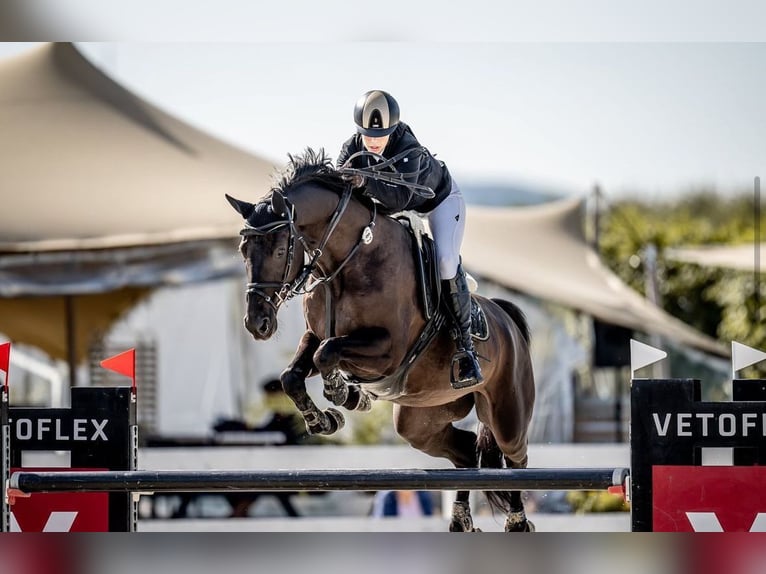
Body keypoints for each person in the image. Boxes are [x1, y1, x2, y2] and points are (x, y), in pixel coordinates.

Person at [337, 89, 483, 389]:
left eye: (381, 135)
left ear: (394, 130)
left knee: (444, 261)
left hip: (439, 204)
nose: (374, 142)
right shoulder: (350, 149)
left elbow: (399, 199)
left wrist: (364, 180)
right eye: (367, 135)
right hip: (398, 214)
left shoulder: (409, 149)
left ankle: (465, 347)